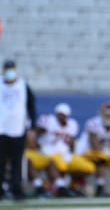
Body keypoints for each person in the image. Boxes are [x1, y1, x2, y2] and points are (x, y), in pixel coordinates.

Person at [26, 103, 95, 197]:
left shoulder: (72, 124)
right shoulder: (49, 120)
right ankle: (55, 186)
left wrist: (72, 152)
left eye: (64, 115)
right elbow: (34, 133)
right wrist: (37, 144)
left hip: (65, 154)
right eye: (60, 114)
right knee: (59, 165)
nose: (61, 117)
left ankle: (73, 186)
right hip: (49, 153)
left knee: (88, 167)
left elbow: (71, 142)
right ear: (56, 113)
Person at [0, 59, 36, 201]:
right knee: (1, 162)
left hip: (18, 130)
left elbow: (31, 106)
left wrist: (31, 128)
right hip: (1, 130)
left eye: (12, 69)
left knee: (17, 162)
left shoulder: (23, 85)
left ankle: (17, 189)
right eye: (7, 69)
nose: (10, 72)